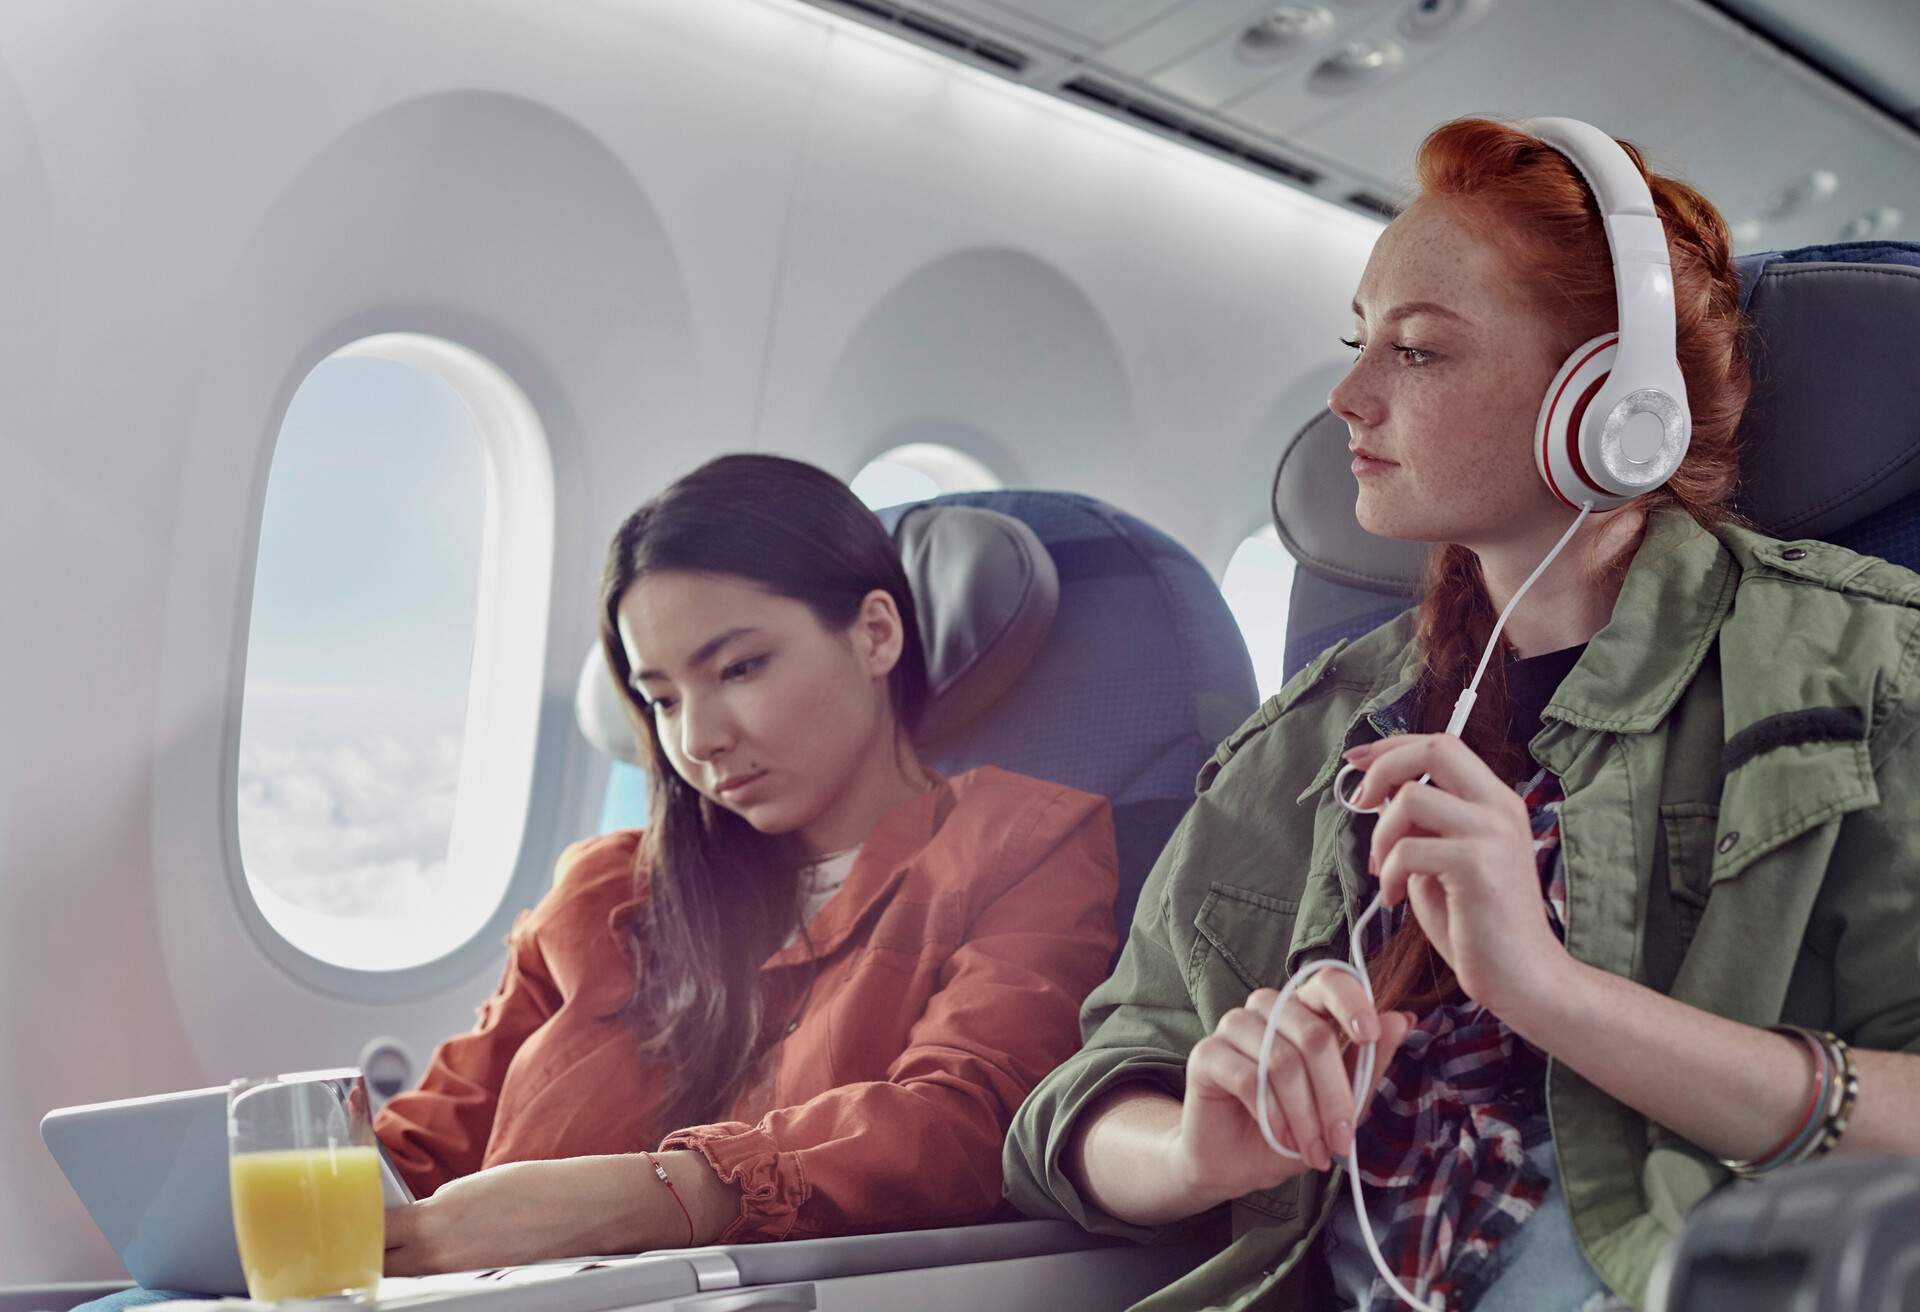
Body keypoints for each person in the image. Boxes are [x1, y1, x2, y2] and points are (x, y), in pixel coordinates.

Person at [1003, 117, 1920, 1312]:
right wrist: (1195, 1147)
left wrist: (1549, 988)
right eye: (1356, 341)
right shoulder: (1315, 734)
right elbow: (1073, 1106)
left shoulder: (1864, 665)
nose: (1345, 395)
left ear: (1607, 403)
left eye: (1419, 353)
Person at [365, 453, 1120, 1272]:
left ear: (875, 633)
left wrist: (648, 1197)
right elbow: (422, 1150)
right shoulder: (605, 892)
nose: (697, 740)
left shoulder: (1023, 843)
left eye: (739, 669)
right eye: (662, 700)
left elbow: (965, 1124)